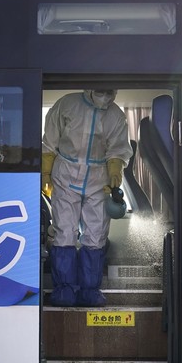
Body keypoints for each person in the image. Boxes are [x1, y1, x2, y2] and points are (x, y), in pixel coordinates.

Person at [41, 90, 133, 306]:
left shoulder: (116, 115)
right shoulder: (67, 104)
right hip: (65, 173)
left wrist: (115, 169)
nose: (106, 93)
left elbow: (118, 149)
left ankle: (89, 290)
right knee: (65, 231)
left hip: (98, 178)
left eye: (110, 89)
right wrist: (45, 171)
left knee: (96, 234)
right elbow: (49, 142)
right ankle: (64, 289)